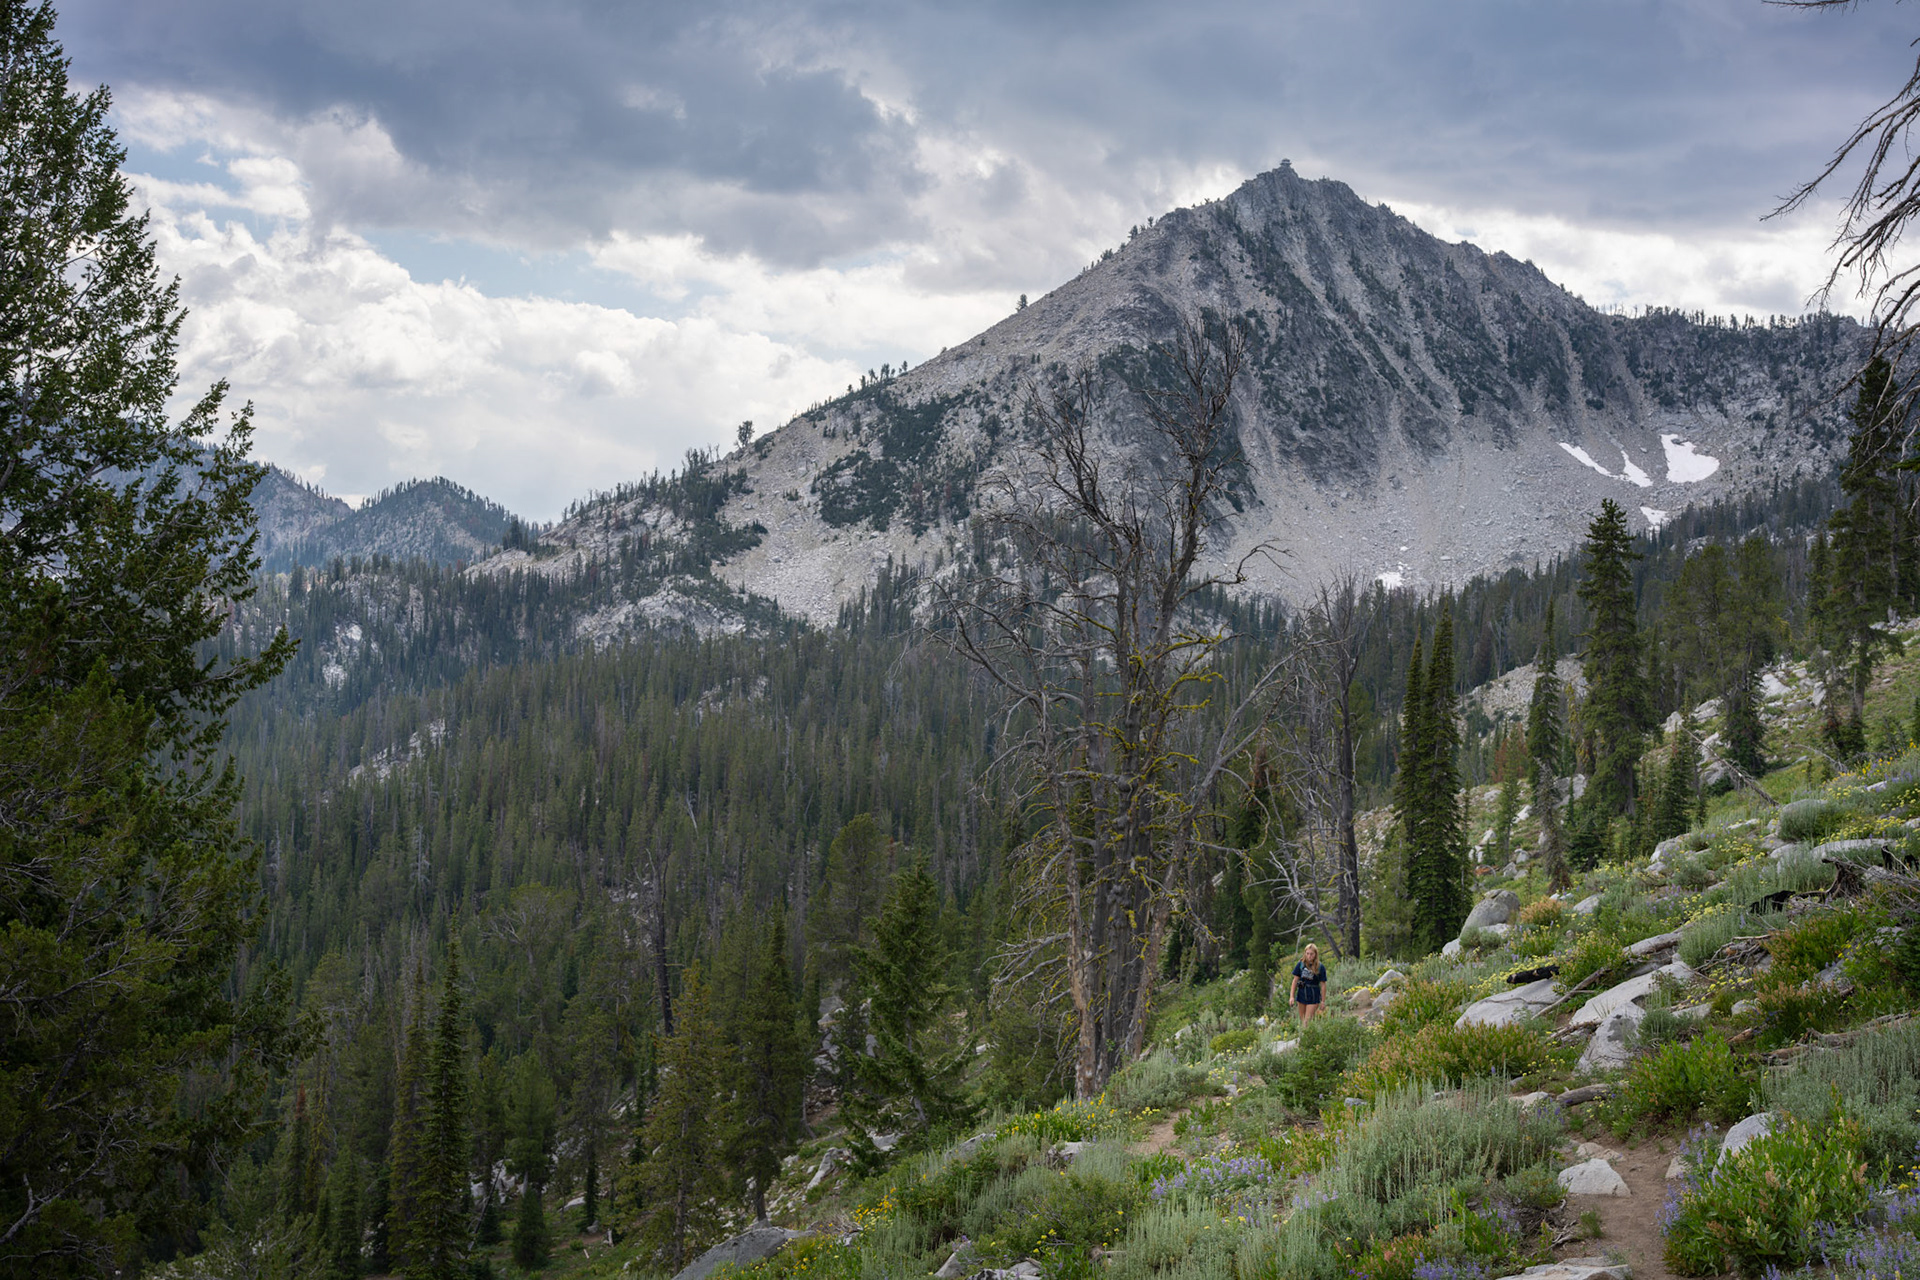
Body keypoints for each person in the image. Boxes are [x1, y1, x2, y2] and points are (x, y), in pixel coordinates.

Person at [1289, 944, 1328, 1026]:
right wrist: (1292, 996)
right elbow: (1295, 980)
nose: (1309, 956)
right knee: (1302, 1020)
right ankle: (1305, 1037)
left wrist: (1323, 1001)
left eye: (1311, 954)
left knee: (1307, 1021)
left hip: (1313, 995)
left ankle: (1305, 1037)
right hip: (1302, 993)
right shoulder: (1300, 964)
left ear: (1315, 954)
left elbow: (1323, 985)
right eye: (1307, 953)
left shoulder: (1320, 967)